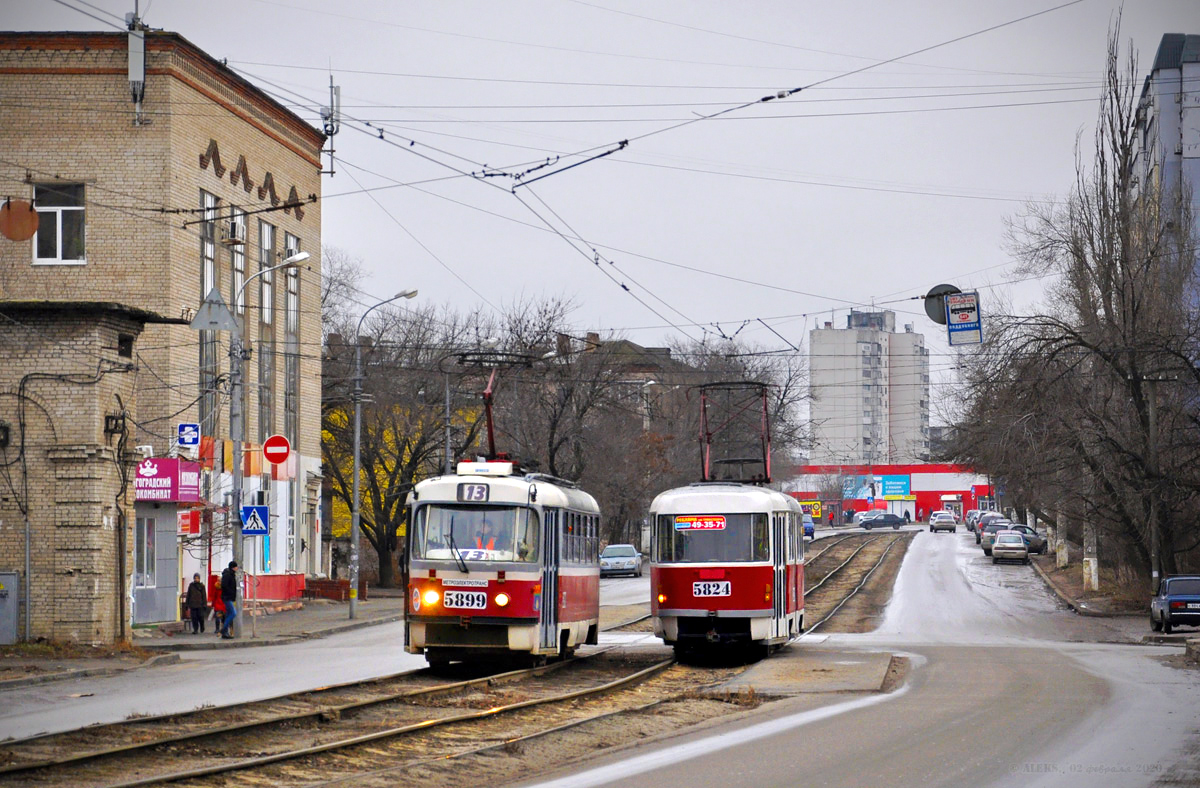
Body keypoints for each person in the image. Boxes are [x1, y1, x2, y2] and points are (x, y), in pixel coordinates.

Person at [219, 560, 238, 639]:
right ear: (233, 567)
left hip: (229, 597)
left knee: (228, 614)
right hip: (227, 597)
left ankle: (225, 633)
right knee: (233, 613)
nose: (237, 568)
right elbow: (224, 586)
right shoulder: (228, 575)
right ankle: (223, 629)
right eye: (236, 566)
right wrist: (230, 592)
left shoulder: (231, 574)